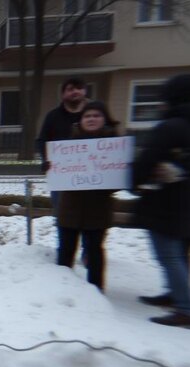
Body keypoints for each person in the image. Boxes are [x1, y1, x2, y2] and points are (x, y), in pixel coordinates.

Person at [134, 74, 190, 330]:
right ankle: (175, 295)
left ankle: (185, 309)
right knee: (179, 254)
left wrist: (135, 182)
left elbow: (148, 160)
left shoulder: (172, 126)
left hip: (165, 200)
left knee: (169, 256)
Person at [54, 101, 119, 291]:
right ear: (81, 120)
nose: (91, 119)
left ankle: (96, 289)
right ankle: (61, 289)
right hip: (71, 207)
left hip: (98, 207)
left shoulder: (114, 145)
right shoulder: (70, 143)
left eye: (96, 116)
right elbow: (60, 171)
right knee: (66, 249)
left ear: (105, 119)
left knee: (94, 250)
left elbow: (119, 179)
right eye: (87, 116)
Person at [38, 78, 89, 211]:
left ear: (85, 91)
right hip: (61, 178)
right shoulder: (53, 116)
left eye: (79, 88)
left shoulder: (93, 115)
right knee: (63, 217)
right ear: (63, 94)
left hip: (91, 179)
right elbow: (42, 140)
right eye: (70, 89)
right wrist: (45, 160)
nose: (75, 92)